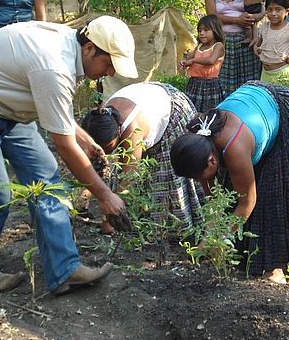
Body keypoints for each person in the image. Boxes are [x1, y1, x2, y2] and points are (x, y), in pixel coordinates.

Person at [0, 16, 137, 295]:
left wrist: (84, 138)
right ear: (90, 48)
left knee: (46, 180)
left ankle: (65, 270)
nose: (110, 72)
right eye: (109, 63)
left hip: (7, 110)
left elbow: (55, 106)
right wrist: (104, 195)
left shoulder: (70, 51)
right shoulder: (54, 65)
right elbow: (64, 145)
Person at [170, 81, 289, 284]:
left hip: (286, 115)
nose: (200, 182)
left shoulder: (234, 149)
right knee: (231, 190)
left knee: (275, 197)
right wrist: (209, 234)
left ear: (212, 160)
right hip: (254, 105)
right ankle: (245, 256)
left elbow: (246, 203)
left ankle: (276, 268)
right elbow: (215, 199)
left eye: (200, 176)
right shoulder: (197, 139)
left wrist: (217, 240)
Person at [81, 82, 204, 234]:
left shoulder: (132, 128)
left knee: (164, 180)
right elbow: (92, 162)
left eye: (109, 147)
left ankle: (172, 231)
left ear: (118, 132)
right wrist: (85, 194)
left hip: (172, 111)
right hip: (149, 101)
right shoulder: (100, 121)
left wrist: (109, 219)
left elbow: (129, 177)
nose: (106, 152)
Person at [180, 14, 226, 113]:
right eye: (200, 30)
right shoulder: (199, 46)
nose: (202, 33)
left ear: (215, 30)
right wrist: (184, 61)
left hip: (210, 85)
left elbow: (211, 61)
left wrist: (193, 61)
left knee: (208, 113)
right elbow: (188, 58)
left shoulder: (218, 46)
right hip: (194, 83)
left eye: (206, 30)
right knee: (192, 111)